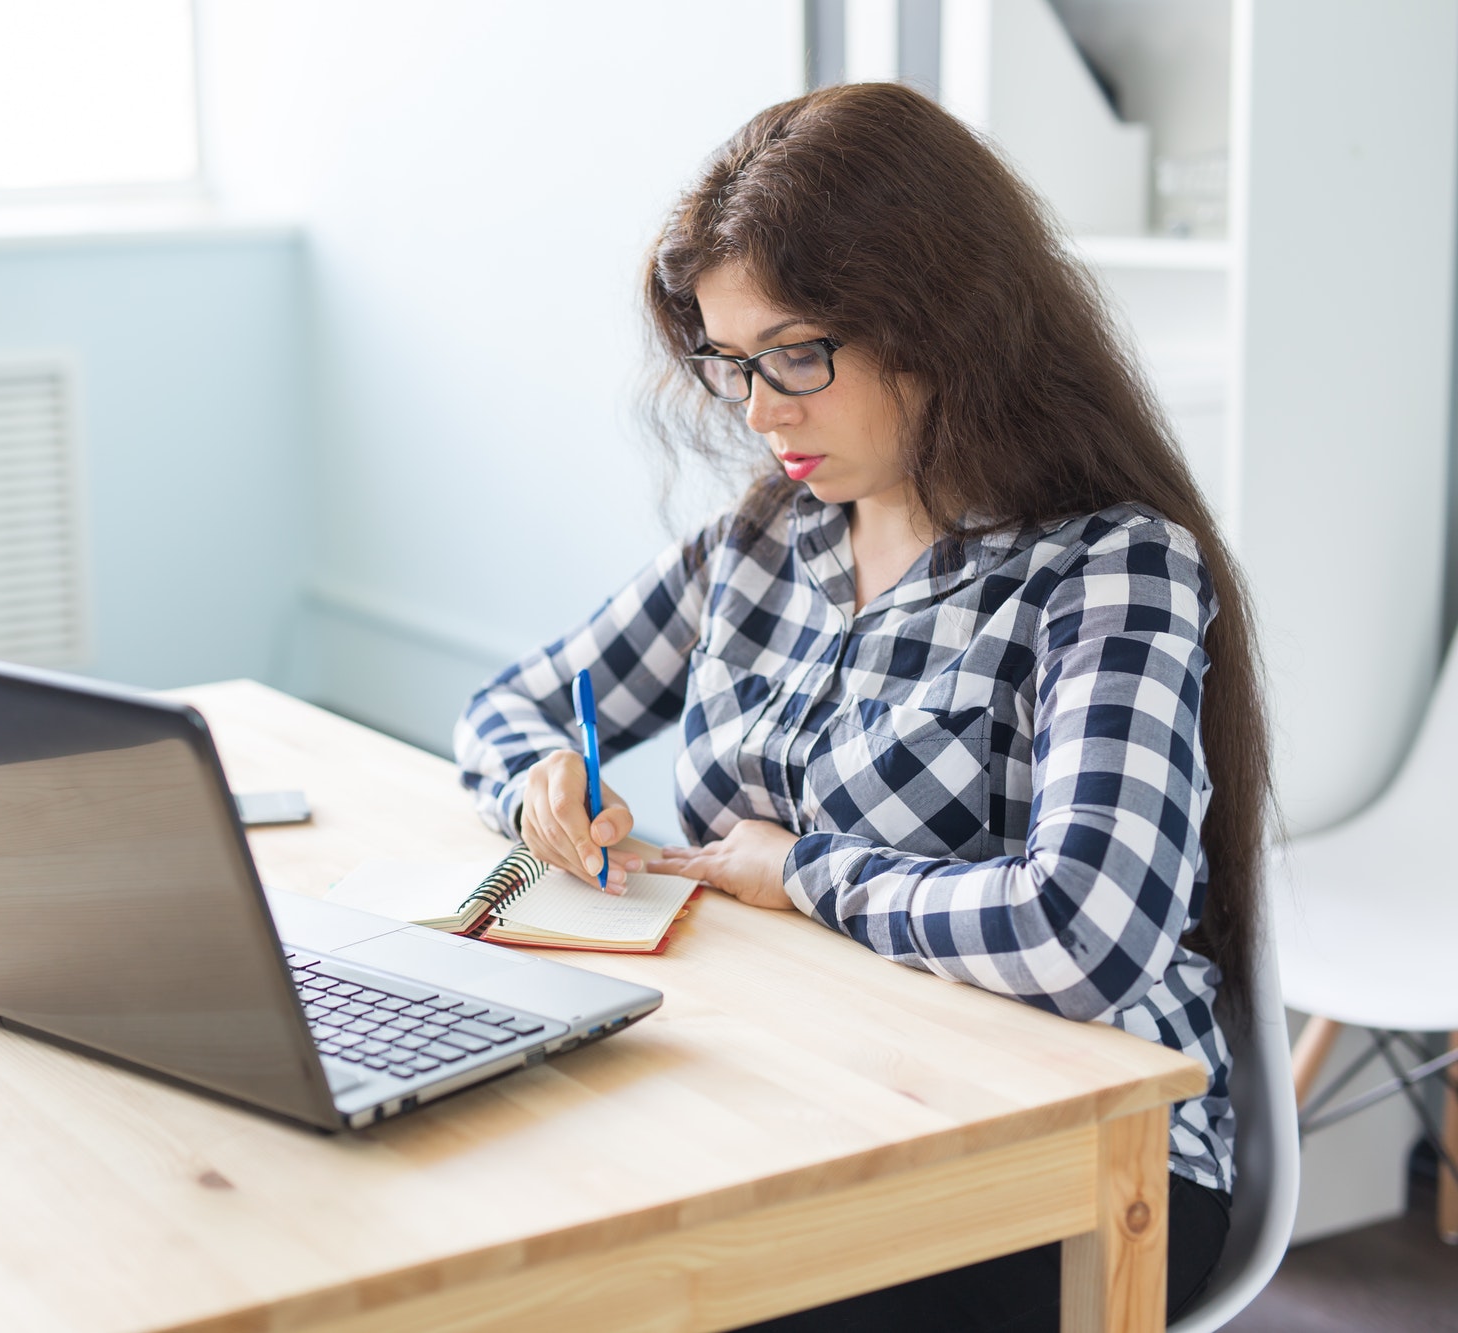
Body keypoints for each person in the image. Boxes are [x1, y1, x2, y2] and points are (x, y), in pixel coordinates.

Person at [453, 82, 1269, 1332]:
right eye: (730, 365)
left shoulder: (1106, 565)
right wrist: (541, 784)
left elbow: (1083, 928)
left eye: (795, 356)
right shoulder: (767, 536)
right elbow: (507, 704)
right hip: (814, 1084)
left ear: (941, 320)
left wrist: (803, 874)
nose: (758, 411)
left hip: (1084, 1158)